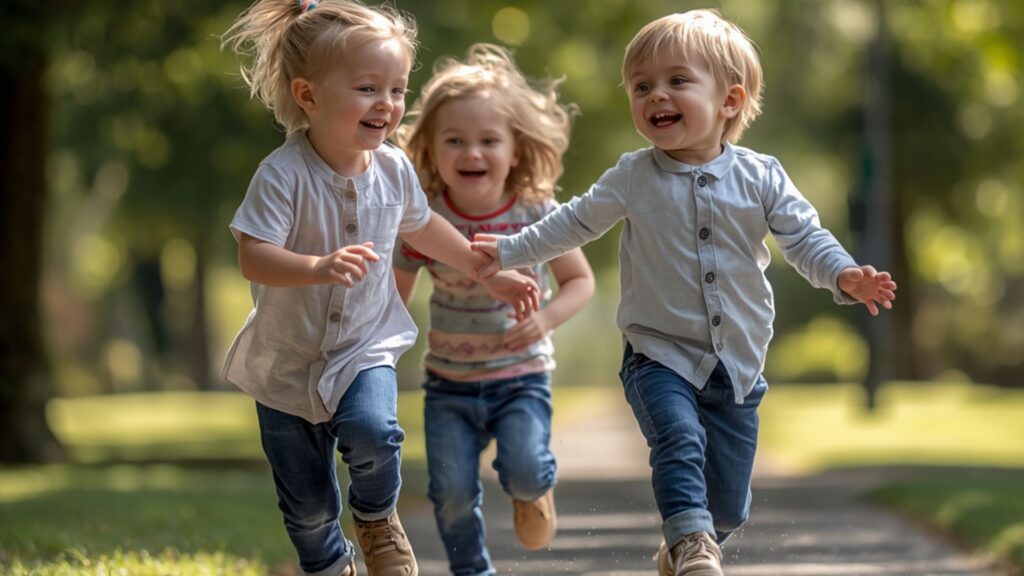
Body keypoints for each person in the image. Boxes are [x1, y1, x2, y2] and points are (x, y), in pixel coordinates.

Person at [471, 10, 897, 576]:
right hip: (658, 354)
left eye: (677, 80)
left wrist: (844, 274)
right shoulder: (632, 176)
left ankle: (691, 541)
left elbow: (804, 238)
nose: (656, 95)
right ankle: (692, 541)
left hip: (739, 363)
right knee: (678, 440)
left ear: (729, 100)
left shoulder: (762, 176)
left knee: (728, 506)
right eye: (642, 86)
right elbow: (570, 224)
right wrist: (505, 250)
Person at [221, 3, 540, 576]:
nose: (388, 104)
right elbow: (253, 256)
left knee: (375, 433)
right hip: (285, 364)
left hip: (364, 347)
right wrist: (317, 266)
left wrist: (484, 267)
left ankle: (375, 517)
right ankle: (327, 564)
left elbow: (422, 226)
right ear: (308, 94)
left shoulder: (393, 168)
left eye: (397, 89)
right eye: (368, 88)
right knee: (310, 511)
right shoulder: (282, 174)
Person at [392, 44, 595, 576]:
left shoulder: (537, 213)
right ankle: (472, 571)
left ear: (516, 147)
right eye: (454, 141)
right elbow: (393, 297)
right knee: (452, 493)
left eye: (488, 140)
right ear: (430, 150)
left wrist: (544, 319)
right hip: (448, 385)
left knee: (525, 469)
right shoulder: (422, 220)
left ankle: (533, 491)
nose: (471, 153)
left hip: (520, 379)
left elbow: (580, 280)